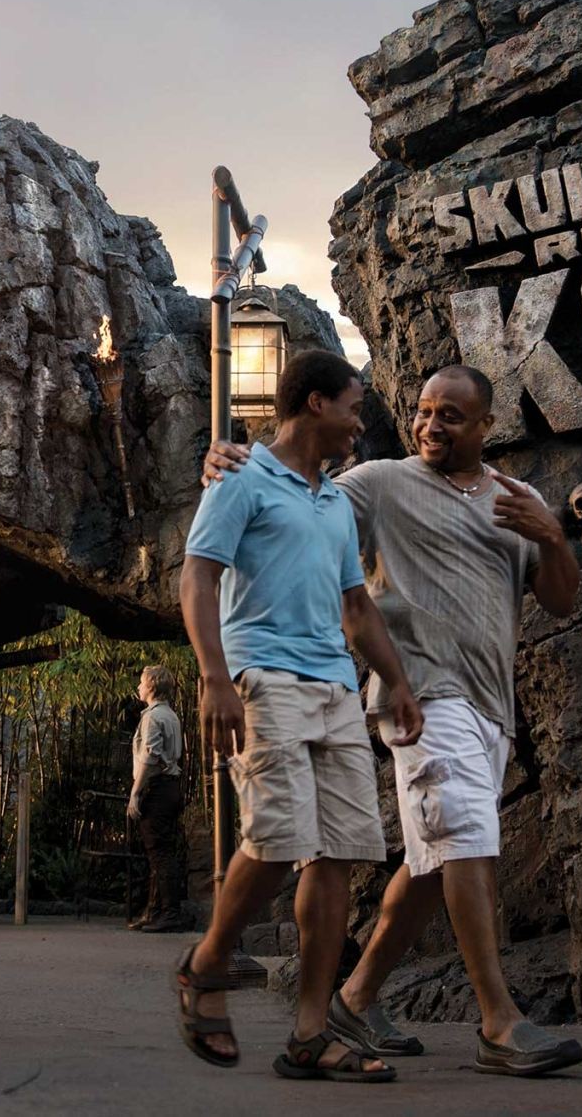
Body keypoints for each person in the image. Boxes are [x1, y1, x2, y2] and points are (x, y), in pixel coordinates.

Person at [205, 363, 582, 1077]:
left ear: (484, 427)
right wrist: (230, 461)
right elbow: (292, 490)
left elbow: (562, 601)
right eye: (423, 411)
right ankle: (499, 1021)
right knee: (464, 837)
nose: (430, 426)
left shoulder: (517, 498)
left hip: (490, 706)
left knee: (431, 855)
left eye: (450, 416)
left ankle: (354, 996)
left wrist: (555, 536)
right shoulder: (379, 483)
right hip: (422, 699)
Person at [170, 350, 423, 1082]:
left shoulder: (335, 502)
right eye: (353, 404)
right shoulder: (240, 477)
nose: (359, 419)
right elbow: (198, 575)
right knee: (278, 837)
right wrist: (214, 676)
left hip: (335, 687)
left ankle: (311, 1032)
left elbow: (355, 603)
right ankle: (208, 961)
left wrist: (396, 679)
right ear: (315, 403)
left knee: (339, 849)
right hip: (263, 677)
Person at [124, 664, 187, 933]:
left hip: (158, 787)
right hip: (171, 786)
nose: (138, 687)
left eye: (141, 682)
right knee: (160, 851)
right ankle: (155, 911)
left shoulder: (153, 717)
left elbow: (150, 758)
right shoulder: (170, 715)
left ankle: (169, 912)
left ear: (151, 686)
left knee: (159, 853)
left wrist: (135, 793)